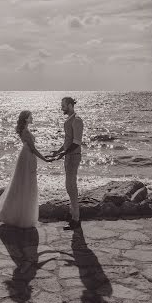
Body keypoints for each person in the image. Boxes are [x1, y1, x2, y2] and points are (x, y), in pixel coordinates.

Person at [0, 110, 50, 228]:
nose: (32, 118)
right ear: (26, 119)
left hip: (26, 156)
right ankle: (21, 216)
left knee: (23, 183)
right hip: (28, 157)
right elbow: (33, 149)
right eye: (31, 116)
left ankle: (20, 213)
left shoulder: (25, 130)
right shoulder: (25, 131)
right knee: (26, 184)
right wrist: (44, 159)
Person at [47, 97, 84, 230]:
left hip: (73, 157)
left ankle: (76, 220)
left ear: (70, 105)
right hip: (69, 156)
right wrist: (58, 152)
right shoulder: (69, 120)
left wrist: (63, 154)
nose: (61, 107)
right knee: (69, 187)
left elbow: (76, 143)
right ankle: (72, 214)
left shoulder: (77, 121)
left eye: (63, 105)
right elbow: (67, 141)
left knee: (71, 187)